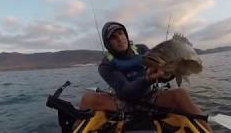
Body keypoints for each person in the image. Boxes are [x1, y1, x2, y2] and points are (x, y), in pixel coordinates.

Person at [79, 21, 211, 132]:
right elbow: (126, 90)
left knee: (181, 94)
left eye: (120, 33)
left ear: (125, 34)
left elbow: (161, 74)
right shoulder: (105, 65)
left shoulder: (142, 49)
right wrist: (148, 79)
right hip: (122, 102)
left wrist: (173, 71)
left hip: (151, 97)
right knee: (87, 99)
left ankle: (206, 129)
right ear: (108, 44)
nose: (119, 38)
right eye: (113, 37)